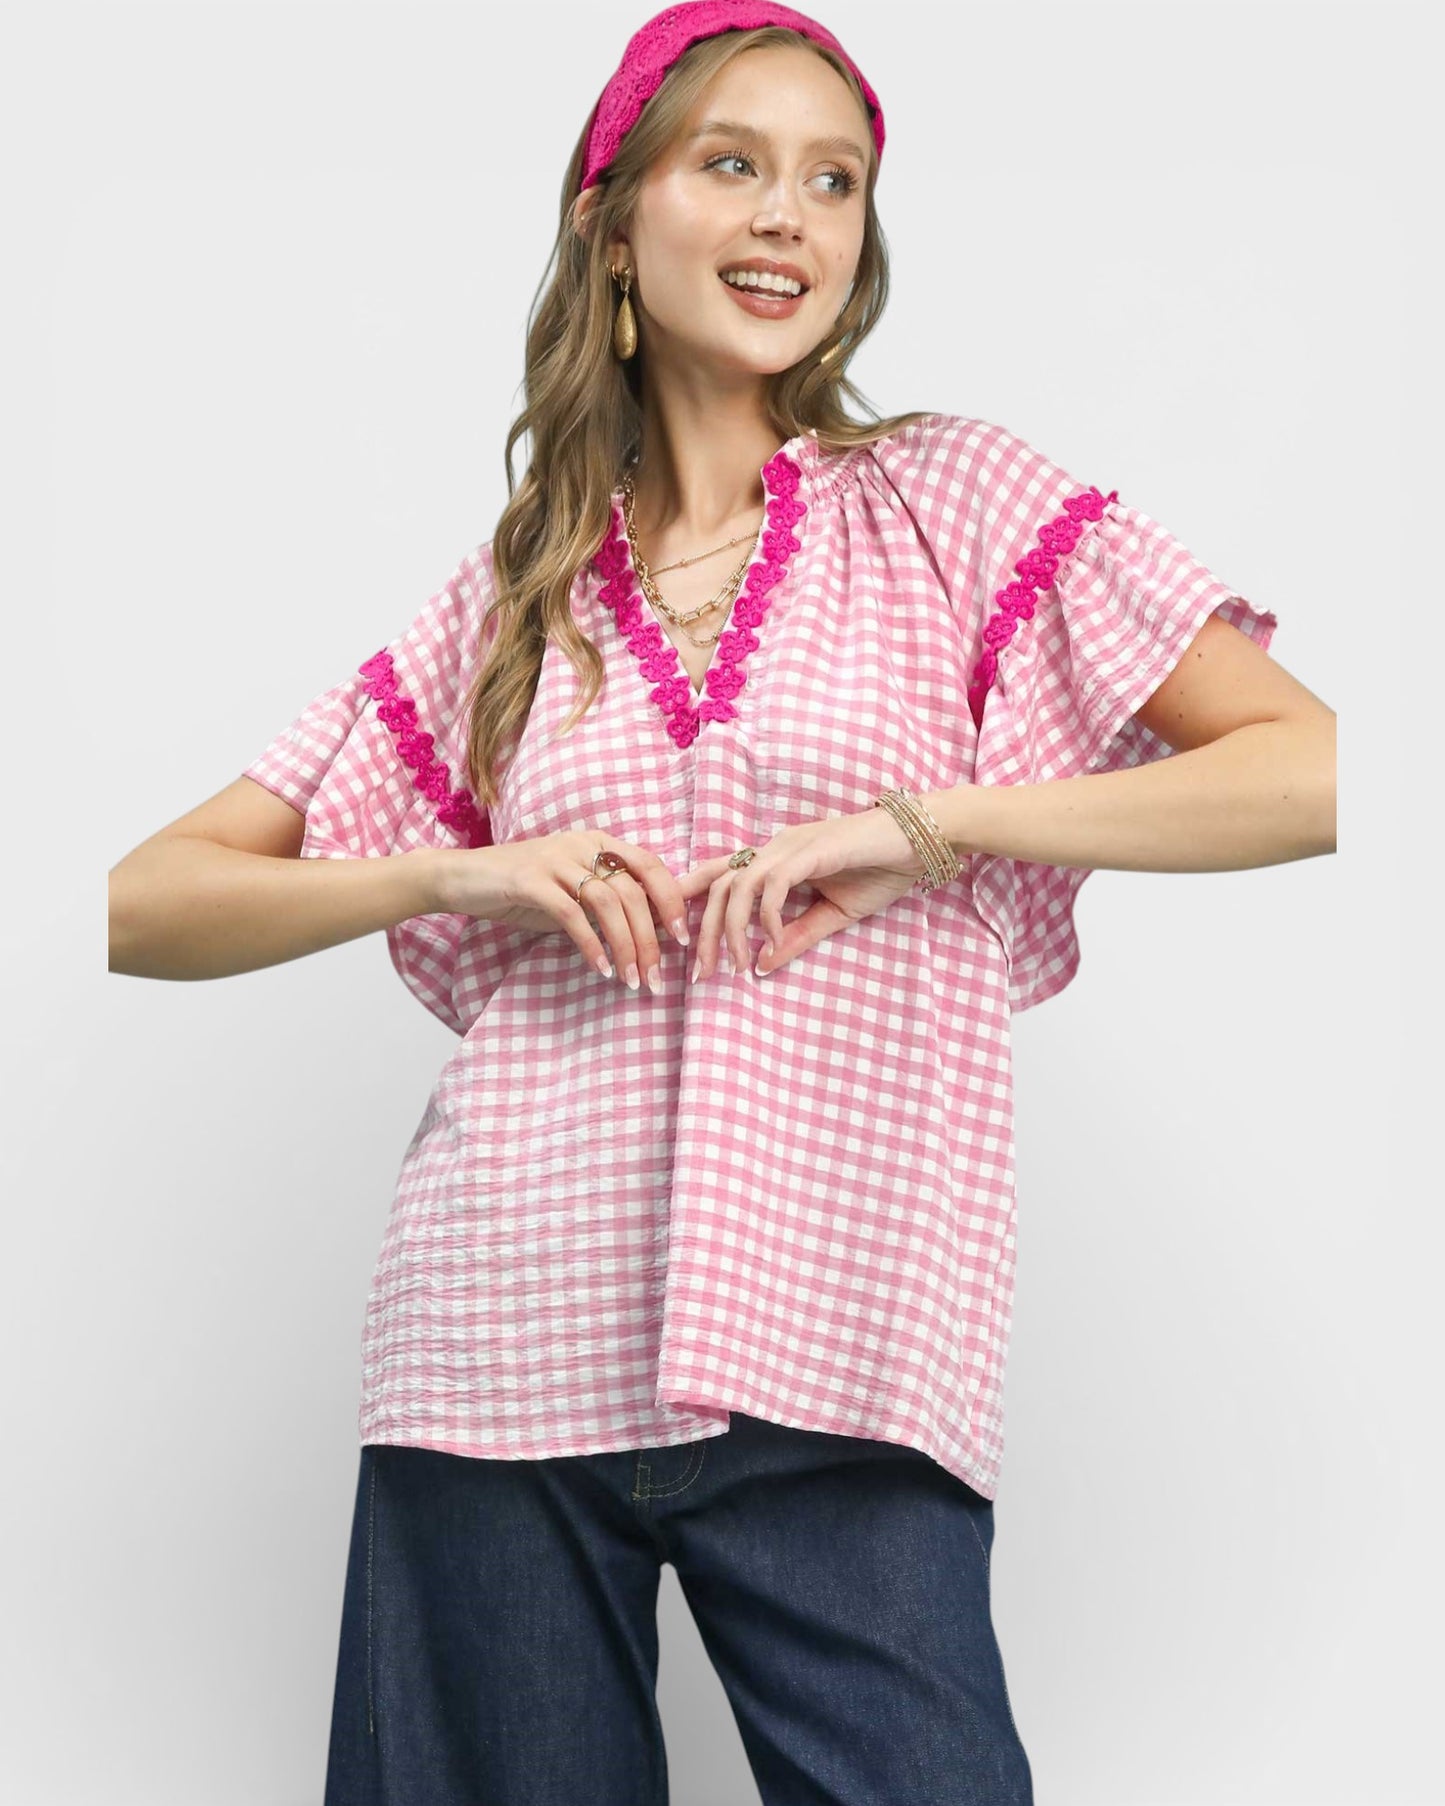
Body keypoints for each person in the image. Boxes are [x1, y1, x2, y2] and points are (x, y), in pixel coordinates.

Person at [107, 3, 1337, 1801]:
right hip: (497, 1347)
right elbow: (148, 899)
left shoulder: (951, 503)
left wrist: (930, 824)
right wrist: (463, 866)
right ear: (614, 217)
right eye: (732, 164)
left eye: (831, 182)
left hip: (844, 1336)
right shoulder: (513, 604)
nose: (789, 218)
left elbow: (1306, 769)